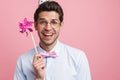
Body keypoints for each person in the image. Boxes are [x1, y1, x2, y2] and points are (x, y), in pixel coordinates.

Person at [14, 1, 91, 80]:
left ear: (61, 25)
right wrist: (39, 78)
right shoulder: (23, 61)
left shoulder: (78, 57)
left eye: (54, 22)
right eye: (43, 22)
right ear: (36, 25)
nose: (48, 28)